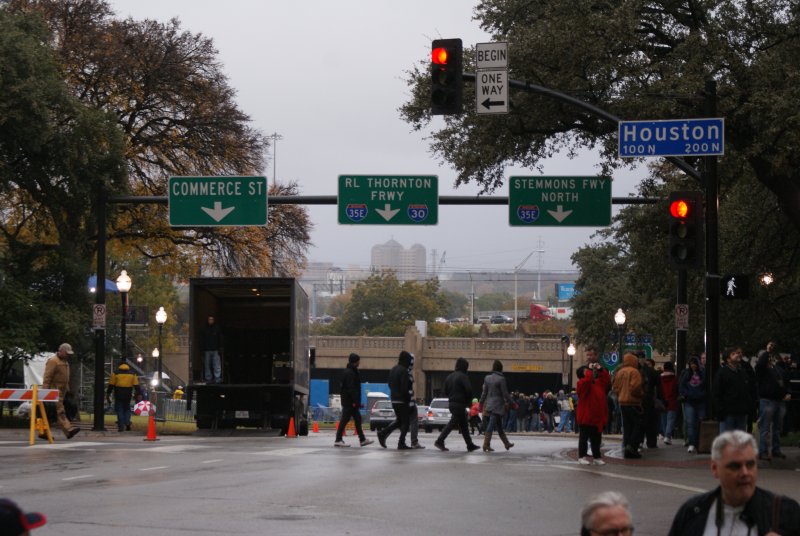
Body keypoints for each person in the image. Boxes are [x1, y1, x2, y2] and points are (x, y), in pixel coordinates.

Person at [668, 430, 800, 536]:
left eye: (750, 464)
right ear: (715, 468)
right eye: (735, 466)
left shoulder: (784, 511)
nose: (745, 473)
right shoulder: (693, 512)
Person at [434, 357, 480, 452]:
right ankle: (439, 440)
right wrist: (468, 401)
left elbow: (445, 391)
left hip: (452, 403)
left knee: (463, 425)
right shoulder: (463, 376)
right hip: (460, 404)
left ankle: (470, 445)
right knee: (452, 423)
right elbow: (469, 390)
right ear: (465, 367)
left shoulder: (449, 377)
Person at [755, 341, 790, 460]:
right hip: (767, 400)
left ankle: (776, 449)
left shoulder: (776, 369)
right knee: (765, 428)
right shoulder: (761, 370)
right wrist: (767, 351)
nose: (770, 359)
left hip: (779, 400)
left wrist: (787, 392)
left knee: (777, 428)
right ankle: (763, 451)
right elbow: (760, 365)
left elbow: (785, 381)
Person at [334, 353, 373, 448]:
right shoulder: (350, 373)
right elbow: (352, 388)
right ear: (355, 361)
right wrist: (356, 402)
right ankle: (338, 439)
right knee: (345, 420)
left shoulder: (349, 371)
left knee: (357, 419)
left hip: (349, 401)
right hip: (350, 402)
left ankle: (362, 439)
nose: (359, 362)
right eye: (358, 360)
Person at [42, 343, 80, 440]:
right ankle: (69, 430)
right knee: (60, 411)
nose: (68, 355)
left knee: (49, 413)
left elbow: (65, 379)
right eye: (67, 353)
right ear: (61, 351)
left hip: (62, 392)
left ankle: (44, 432)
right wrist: (45, 392)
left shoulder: (64, 361)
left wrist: (67, 391)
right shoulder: (53, 361)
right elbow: (47, 377)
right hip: (54, 392)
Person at [576, 361, 610, 465]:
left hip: (596, 416)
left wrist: (600, 369)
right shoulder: (581, 383)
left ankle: (597, 457)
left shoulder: (597, 383)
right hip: (586, 416)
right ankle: (582, 456)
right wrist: (589, 370)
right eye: (586, 371)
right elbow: (587, 381)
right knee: (584, 439)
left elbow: (606, 380)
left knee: (596, 439)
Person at [713, 347, 754, 433]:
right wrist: (720, 410)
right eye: (733, 354)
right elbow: (717, 393)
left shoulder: (742, 372)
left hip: (742, 412)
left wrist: (748, 406)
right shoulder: (722, 373)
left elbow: (748, 389)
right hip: (728, 413)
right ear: (728, 359)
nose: (737, 355)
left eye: (737, 353)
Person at [378, 351, 413, 450]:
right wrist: (408, 397)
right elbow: (404, 388)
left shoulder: (393, 369)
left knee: (400, 421)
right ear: (406, 360)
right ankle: (401, 443)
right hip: (402, 400)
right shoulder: (404, 371)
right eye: (409, 361)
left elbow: (389, 384)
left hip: (394, 399)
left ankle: (383, 433)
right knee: (406, 422)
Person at [478, 360, 514, 452]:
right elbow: (505, 393)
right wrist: (513, 403)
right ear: (501, 368)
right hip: (498, 405)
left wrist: (481, 404)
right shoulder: (501, 379)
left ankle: (506, 444)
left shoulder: (487, 378)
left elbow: (484, 393)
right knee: (491, 425)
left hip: (489, 404)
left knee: (499, 426)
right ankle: (486, 444)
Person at [680, 355, 706, 454]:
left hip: (699, 400)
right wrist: (686, 394)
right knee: (690, 423)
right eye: (691, 364)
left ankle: (696, 443)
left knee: (698, 422)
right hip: (690, 400)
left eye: (694, 363)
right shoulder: (686, 373)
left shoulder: (703, 373)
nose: (693, 366)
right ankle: (692, 443)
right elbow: (681, 386)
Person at [105, 362, 140, 432]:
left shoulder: (115, 373)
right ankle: (127, 422)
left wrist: (108, 393)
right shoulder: (132, 374)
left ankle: (121, 426)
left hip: (118, 393)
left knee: (119, 409)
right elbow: (136, 385)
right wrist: (138, 394)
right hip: (128, 393)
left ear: (119, 366)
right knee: (127, 409)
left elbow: (111, 385)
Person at [406, 354, 424, 449]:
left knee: (401, 421)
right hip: (408, 401)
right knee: (413, 421)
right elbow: (407, 388)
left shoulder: (406, 371)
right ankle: (414, 441)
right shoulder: (407, 372)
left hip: (407, 400)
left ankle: (384, 433)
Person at [660, 361, 679, 445]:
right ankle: (668, 436)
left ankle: (665, 435)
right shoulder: (675, 378)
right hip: (672, 400)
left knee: (663, 419)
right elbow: (677, 389)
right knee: (670, 420)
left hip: (663, 401)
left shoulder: (660, 378)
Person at [201, 315, 223, 384]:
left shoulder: (217, 329)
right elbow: (202, 340)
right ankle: (208, 378)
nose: (211, 321)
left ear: (214, 320)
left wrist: (220, 347)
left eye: (212, 319)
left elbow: (220, 339)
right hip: (207, 350)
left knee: (216, 365)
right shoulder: (204, 329)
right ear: (207, 320)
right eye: (209, 319)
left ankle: (217, 378)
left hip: (215, 350)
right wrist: (202, 349)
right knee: (207, 365)